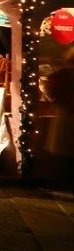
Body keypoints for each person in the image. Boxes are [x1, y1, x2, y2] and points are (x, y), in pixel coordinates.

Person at [44, 48, 74, 195]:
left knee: (65, 152)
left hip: (66, 115)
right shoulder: (64, 74)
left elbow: (50, 88)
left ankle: (64, 182)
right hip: (67, 114)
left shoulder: (63, 74)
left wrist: (57, 102)